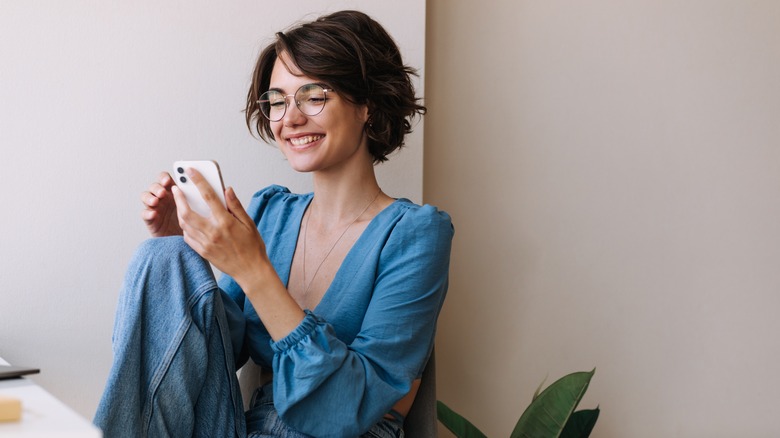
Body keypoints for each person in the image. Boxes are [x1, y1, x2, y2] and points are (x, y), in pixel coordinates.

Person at [94, 10, 453, 438]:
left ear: (367, 107)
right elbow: (217, 351)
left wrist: (253, 271)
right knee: (162, 257)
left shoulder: (414, 234)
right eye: (278, 101)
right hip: (243, 425)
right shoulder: (272, 212)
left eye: (313, 95)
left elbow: (345, 408)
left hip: (338, 431)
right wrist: (185, 255)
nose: (290, 118)